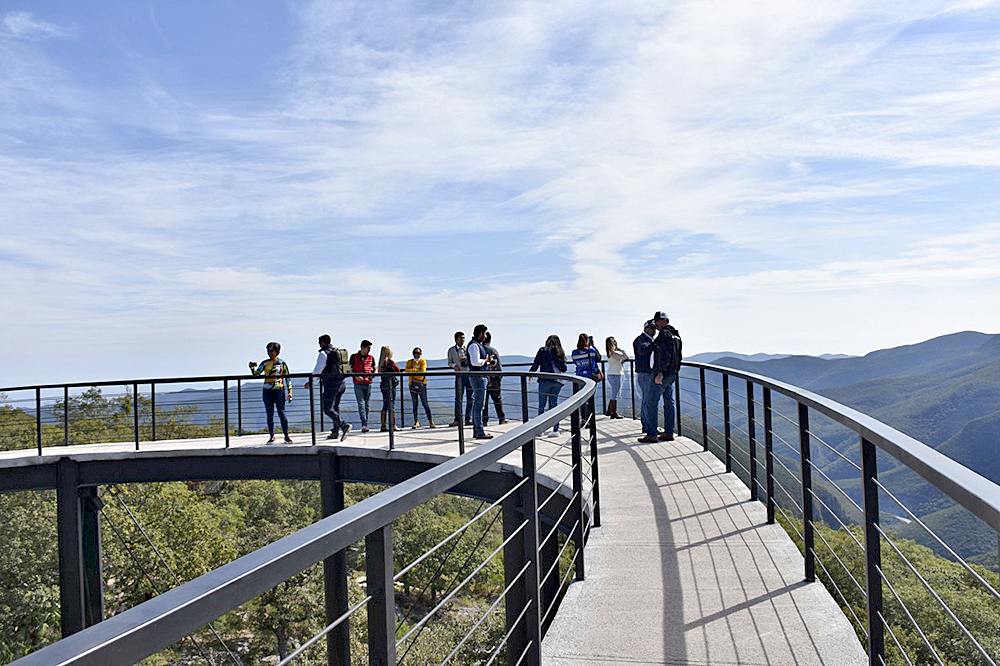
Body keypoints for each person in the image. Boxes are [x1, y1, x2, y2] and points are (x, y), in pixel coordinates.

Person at [306, 335, 351, 441]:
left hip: (331, 385)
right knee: (335, 407)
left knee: (326, 408)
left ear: (322, 343)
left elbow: (318, 370)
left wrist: (311, 382)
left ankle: (344, 425)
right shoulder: (336, 352)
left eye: (319, 342)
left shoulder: (323, 354)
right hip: (341, 383)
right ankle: (335, 432)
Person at [249, 341, 293, 444]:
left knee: (282, 413)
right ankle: (272, 435)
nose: (269, 353)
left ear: (277, 351)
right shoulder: (264, 363)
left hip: (279, 390)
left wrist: (290, 391)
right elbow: (257, 374)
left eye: (272, 350)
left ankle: (286, 435)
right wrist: (252, 368)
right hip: (267, 391)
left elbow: (287, 378)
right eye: (268, 351)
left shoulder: (282, 363)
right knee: (269, 414)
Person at [652, 310, 682, 441]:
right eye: (655, 321)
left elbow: (664, 354)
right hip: (673, 373)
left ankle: (651, 434)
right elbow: (679, 355)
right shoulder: (676, 335)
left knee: (652, 402)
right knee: (669, 403)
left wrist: (660, 373)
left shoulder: (664, 334)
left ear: (665, 321)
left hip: (664, 374)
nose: (656, 324)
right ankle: (669, 431)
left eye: (658, 321)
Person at [529, 334, 568, 437]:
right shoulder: (560, 352)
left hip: (545, 380)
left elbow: (536, 364)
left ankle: (540, 430)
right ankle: (556, 430)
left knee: (542, 405)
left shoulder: (542, 350)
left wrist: (530, 374)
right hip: (557, 381)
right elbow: (564, 369)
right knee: (554, 405)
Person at [634, 320, 660, 443]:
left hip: (647, 373)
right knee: (647, 400)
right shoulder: (641, 340)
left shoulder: (646, 339)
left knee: (647, 400)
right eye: (651, 328)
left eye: (654, 328)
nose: (654, 330)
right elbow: (643, 350)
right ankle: (649, 427)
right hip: (645, 374)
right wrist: (655, 344)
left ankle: (648, 426)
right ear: (645, 329)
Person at [466, 324, 493, 440]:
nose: (486, 336)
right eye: (485, 333)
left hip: (479, 376)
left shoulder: (476, 345)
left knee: (478, 404)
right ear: (481, 333)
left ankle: (477, 430)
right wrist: (486, 360)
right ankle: (479, 431)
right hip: (478, 377)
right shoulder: (474, 346)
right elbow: (475, 362)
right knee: (478, 404)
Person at [447, 331, 474, 427]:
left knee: (470, 397)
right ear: (456, 339)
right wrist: (454, 365)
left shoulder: (467, 349)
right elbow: (449, 362)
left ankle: (468, 417)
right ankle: (457, 419)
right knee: (458, 397)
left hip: (468, 374)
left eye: (463, 338)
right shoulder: (451, 350)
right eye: (461, 338)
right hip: (459, 375)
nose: (463, 340)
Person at [405, 347, 435, 428]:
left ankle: (430, 421)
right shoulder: (409, 362)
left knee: (425, 403)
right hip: (412, 384)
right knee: (415, 404)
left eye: (418, 353)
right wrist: (416, 371)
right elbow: (406, 370)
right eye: (415, 353)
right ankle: (416, 421)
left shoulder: (422, 361)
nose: (416, 354)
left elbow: (422, 371)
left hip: (421, 384)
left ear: (421, 354)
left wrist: (413, 371)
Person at [350, 340, 376, 432]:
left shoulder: (371, 358)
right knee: (361, 404)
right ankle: (364, 424)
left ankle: (366, 423)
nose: (369, 350)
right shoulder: (353, 357)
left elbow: (374, 368)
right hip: (358, 384)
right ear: (363, 347)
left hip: (368, 383)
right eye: (368, 348)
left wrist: (372, 375)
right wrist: (356, 376)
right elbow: (349, 370)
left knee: (367, 405)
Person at [481, 331, 506, 426]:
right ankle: (501, 418)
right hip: (493, 378)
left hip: (482, 378)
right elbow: (499, 367)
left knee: (484, 401)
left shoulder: (480, 349)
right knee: (497, 399)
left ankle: (484, 420)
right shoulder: (493, 350)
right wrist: (499, 378)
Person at [378, 345, 401, 432]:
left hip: (383, 385)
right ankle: (393, 425)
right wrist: (392, 361)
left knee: (385, 405)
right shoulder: (389, 362)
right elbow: (397, 370)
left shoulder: (381, 363)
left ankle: (383, 425)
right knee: (392, 405)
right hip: (390, 386)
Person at [605, 336, 628, 419]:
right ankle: (613, 412)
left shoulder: (610, 353)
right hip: (616, 374)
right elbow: (625, 356)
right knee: (615, 394)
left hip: (611, 373)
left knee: (613, 393)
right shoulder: (614, 353)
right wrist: (621, 349)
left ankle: (609, 411)